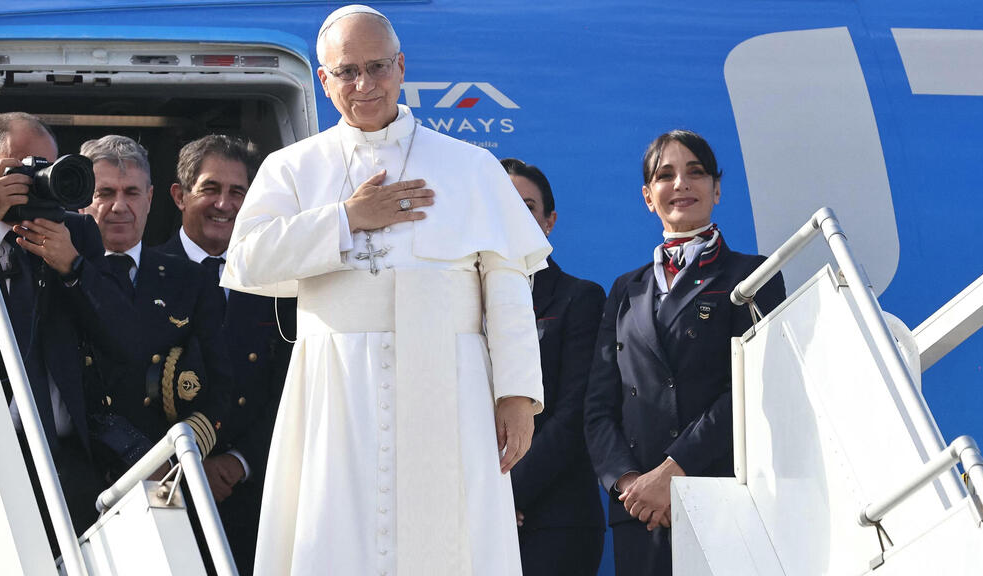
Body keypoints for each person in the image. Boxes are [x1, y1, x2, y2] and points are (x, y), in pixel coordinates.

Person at [221, 5, 551, 575]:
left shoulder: (470, 167)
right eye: (347, 71)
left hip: (452, 382)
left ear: (402, 68)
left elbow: (506, 284)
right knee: (335, 532)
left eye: (378, 67)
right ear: (323, 82)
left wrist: (517, 395)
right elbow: (246, 260)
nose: (364, 84)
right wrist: (347, 219)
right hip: (336, 385)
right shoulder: (292, 168)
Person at [584, 130, 786, 575]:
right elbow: (599, 407)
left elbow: (751, 390)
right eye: (665, 175)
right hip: (639, 511)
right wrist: (630, 485)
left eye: (696, 172)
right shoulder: (625, 289)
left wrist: (674, 473)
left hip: (718, 493)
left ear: (717, 189)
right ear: (647, 196)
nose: (681, 184)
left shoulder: (753, 275)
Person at [0, 112, 131, 536]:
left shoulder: (76, 232)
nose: (41, 178)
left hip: (66, 457)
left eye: (50, 166)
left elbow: (123, 332)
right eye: (27, 167)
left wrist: (74, 267)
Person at [159, 134, 294, 574]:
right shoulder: (144, 272)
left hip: (245, 496)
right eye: (211, 189)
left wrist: (238, 462)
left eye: (238, 192)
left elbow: (292, 389)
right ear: (180, 195)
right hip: (160, 488)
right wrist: (176, 464)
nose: (225, 204)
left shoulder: (277, 285)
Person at [79, 134, 232, 470]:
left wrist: (176, 456)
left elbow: (222, 387)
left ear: (149, 198)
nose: (119, 206)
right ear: (81, 201)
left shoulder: (191, 280)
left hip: (168, 473)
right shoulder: (63, 276)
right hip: (83, 471)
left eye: (131, 192)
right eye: (104, 193)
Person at [502, 158, 606, 576]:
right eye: (499, 202)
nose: (512, 214)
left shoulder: (579, 299)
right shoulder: (455, 305)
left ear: (549, 221)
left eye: (526, 206)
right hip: (471, 518)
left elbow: (574, 414)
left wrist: (507, 494)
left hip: (556, 522)